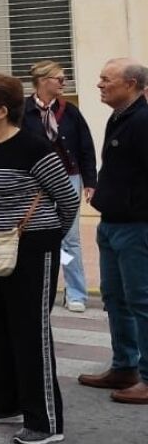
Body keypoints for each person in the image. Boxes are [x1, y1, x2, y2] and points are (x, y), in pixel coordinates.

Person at [0, 74, 79, 444]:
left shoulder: (34, 148)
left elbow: (68, 200)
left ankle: (45, 422)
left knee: (30, 332)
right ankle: (3, 403)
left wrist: (48, 238)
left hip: (31, 249)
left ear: (2, 111)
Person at [79, 59, 148, 405]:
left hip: (136, 226)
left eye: (107, 79)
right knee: (115, 298)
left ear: (131, 84)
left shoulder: (143, 121)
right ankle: (125, 366)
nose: (100, 84)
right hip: (112, 223)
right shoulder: (119, 117)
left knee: (141, 301)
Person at [21, 61, 97, 313]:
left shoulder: (70, 111)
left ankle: (75, 292)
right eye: (59, 79)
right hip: (35, 181)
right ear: (43, 81)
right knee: (36, 235)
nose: (64, 83)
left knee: (69, 238)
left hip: (69, 178)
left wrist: (90, 181)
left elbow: (86, 146)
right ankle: (38, 289)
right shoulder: (23, 111)